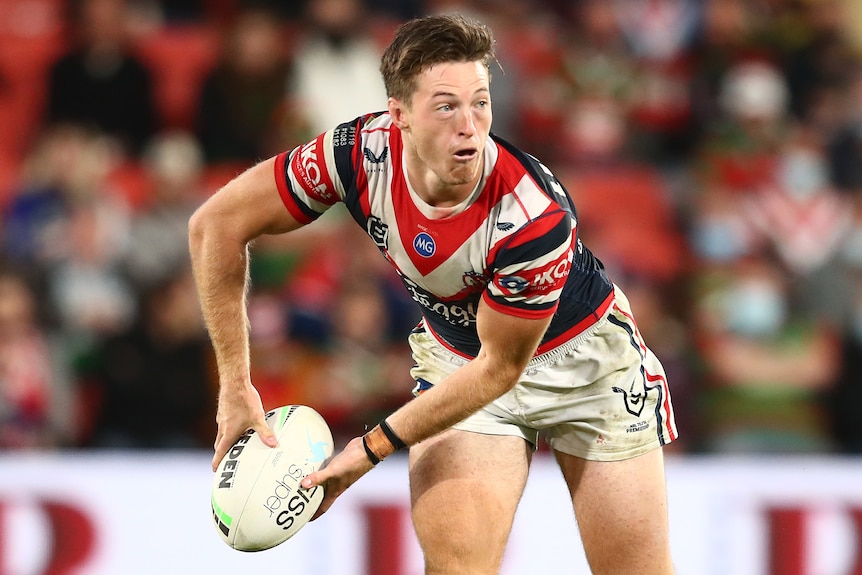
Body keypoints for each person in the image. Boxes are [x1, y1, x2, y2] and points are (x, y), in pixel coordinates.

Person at [189, 13, 678, 574]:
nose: (470, 126)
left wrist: (369, 450)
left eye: (480, 102)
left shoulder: (530, 216)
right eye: (446, 106)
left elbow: (500, 369)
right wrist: (235, 385)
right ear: (398, 116)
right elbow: (215, 226)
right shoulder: (356, 153)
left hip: (587, 367)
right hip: (458, 356)